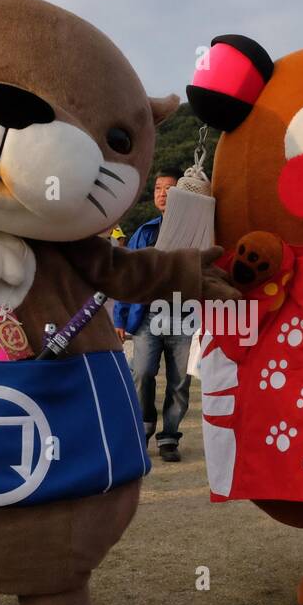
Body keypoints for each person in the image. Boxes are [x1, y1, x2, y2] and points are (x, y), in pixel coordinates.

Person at [112, 167, 191, 462]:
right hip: (146, 316)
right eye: (158, 189)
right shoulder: (143, 232)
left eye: (169, 189)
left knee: (179, 380)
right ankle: (145, 425)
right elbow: (126, 277)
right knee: (142, 372)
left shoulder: (192, 230)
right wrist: (119, 318)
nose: (162, 194)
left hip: (184, 315)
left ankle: (170, 436)